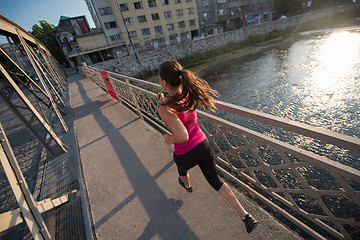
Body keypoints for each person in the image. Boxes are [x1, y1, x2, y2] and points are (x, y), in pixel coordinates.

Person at [157, 60, 259, 233]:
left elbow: (182, 136)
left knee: (181, 169)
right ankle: (246, 216)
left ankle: (187, 185)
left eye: (159, 78)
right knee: (216, 182)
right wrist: (163, 101)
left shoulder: (164, 108)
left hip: (185, 154)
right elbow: (179, 107)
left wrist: (168, 138)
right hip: (203, 146)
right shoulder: (189, 93)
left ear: (164, 83)